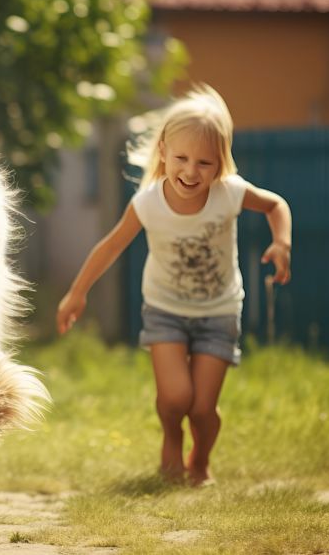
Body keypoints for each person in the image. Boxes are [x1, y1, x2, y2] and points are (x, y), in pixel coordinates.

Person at [56, 85, 292, 486]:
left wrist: (282, 241)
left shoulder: (229, 193)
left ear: (220, 164)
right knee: (175, 398)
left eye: (204, 162)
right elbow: (110, 246)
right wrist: (77, 292)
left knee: (202, 408)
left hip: (219, 311)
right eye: (181, 158)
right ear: (163, 151)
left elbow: (275, 205)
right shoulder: (148, 203)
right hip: (165, 310)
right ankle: (170, 435)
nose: (190, 171)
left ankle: (199, 459)